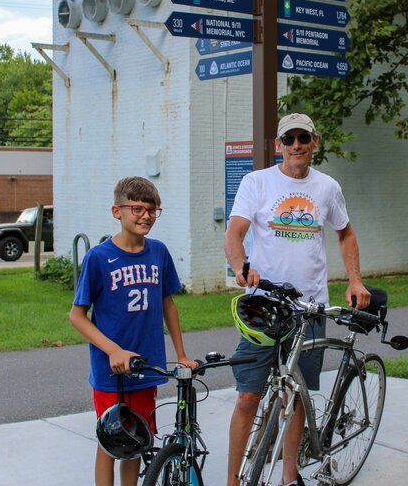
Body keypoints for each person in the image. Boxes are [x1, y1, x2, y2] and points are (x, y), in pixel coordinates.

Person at [224, 113, 371, 486]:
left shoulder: (327, 187)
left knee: (298, 398)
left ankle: (290, 477)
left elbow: (346, 234)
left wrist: (355, 279)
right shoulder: (256, 182)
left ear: (314, 142)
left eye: (303, 138)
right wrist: (241, 265)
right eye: (288, 139)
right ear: (278, 145)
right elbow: (235, 233)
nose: (296, 146)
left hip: (310, 308)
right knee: (248, 397)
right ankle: (232, 481)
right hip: (264, 307)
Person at [69, 176, 195, 486]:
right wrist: (113, 350)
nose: (146, 216)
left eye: (152, 210)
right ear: (117, 211)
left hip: (146, 365)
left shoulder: (158, 252)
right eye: (137, 208)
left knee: (138, 439)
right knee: (111, 441)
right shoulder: (99, 257)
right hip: (111, 371)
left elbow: (168, 305)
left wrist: (180, 354)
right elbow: (77, 316)